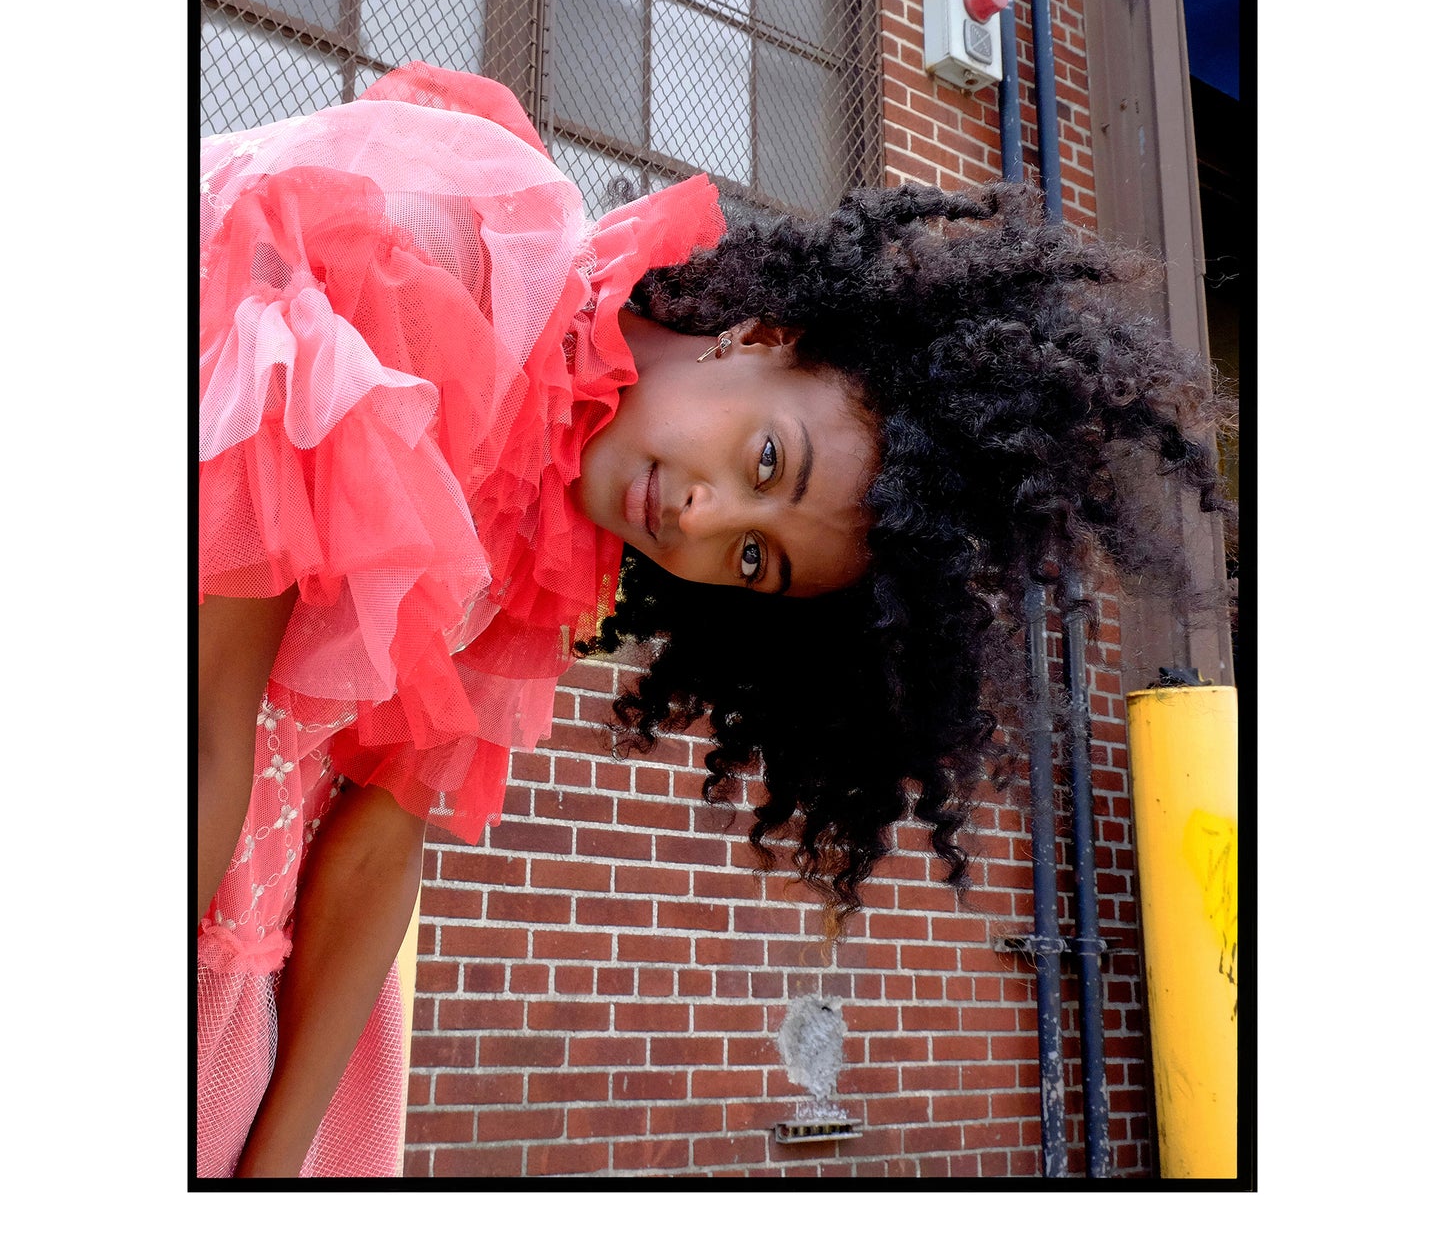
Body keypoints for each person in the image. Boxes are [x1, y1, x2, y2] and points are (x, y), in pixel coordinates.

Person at [197, 62, 1231, 1178]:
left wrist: (273, 1167)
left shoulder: (539, 558)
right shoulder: (455, 263)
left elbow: (376, 836)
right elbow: (208, 727)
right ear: (756, 333)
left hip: (247, 962)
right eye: (765, 461)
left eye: (753, 558)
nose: (701, 517)